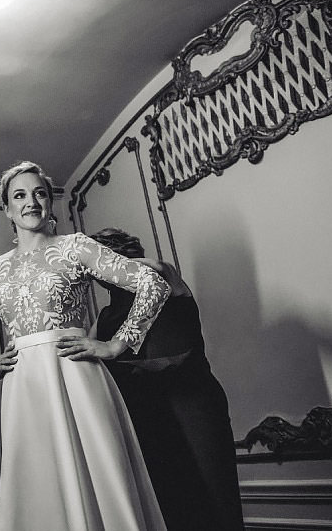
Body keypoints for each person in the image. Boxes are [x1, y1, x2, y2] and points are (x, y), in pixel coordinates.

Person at [0, 161, 170, 531]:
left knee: (99, 472)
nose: (31, 201)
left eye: (39, 193)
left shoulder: (76, 247)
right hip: (23, 387)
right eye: (19, 195)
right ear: (7, 208)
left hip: (76, 373)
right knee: (39, 480)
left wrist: (116, 345)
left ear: (50, 202)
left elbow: (153, 283)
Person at [91, 227, 245, 531]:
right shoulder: (105, 316)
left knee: (215, 497)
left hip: (194, 408)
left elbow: (158, 267)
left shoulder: (166, 278)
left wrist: (95, 257)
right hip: (143, 416)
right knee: (169, 504)